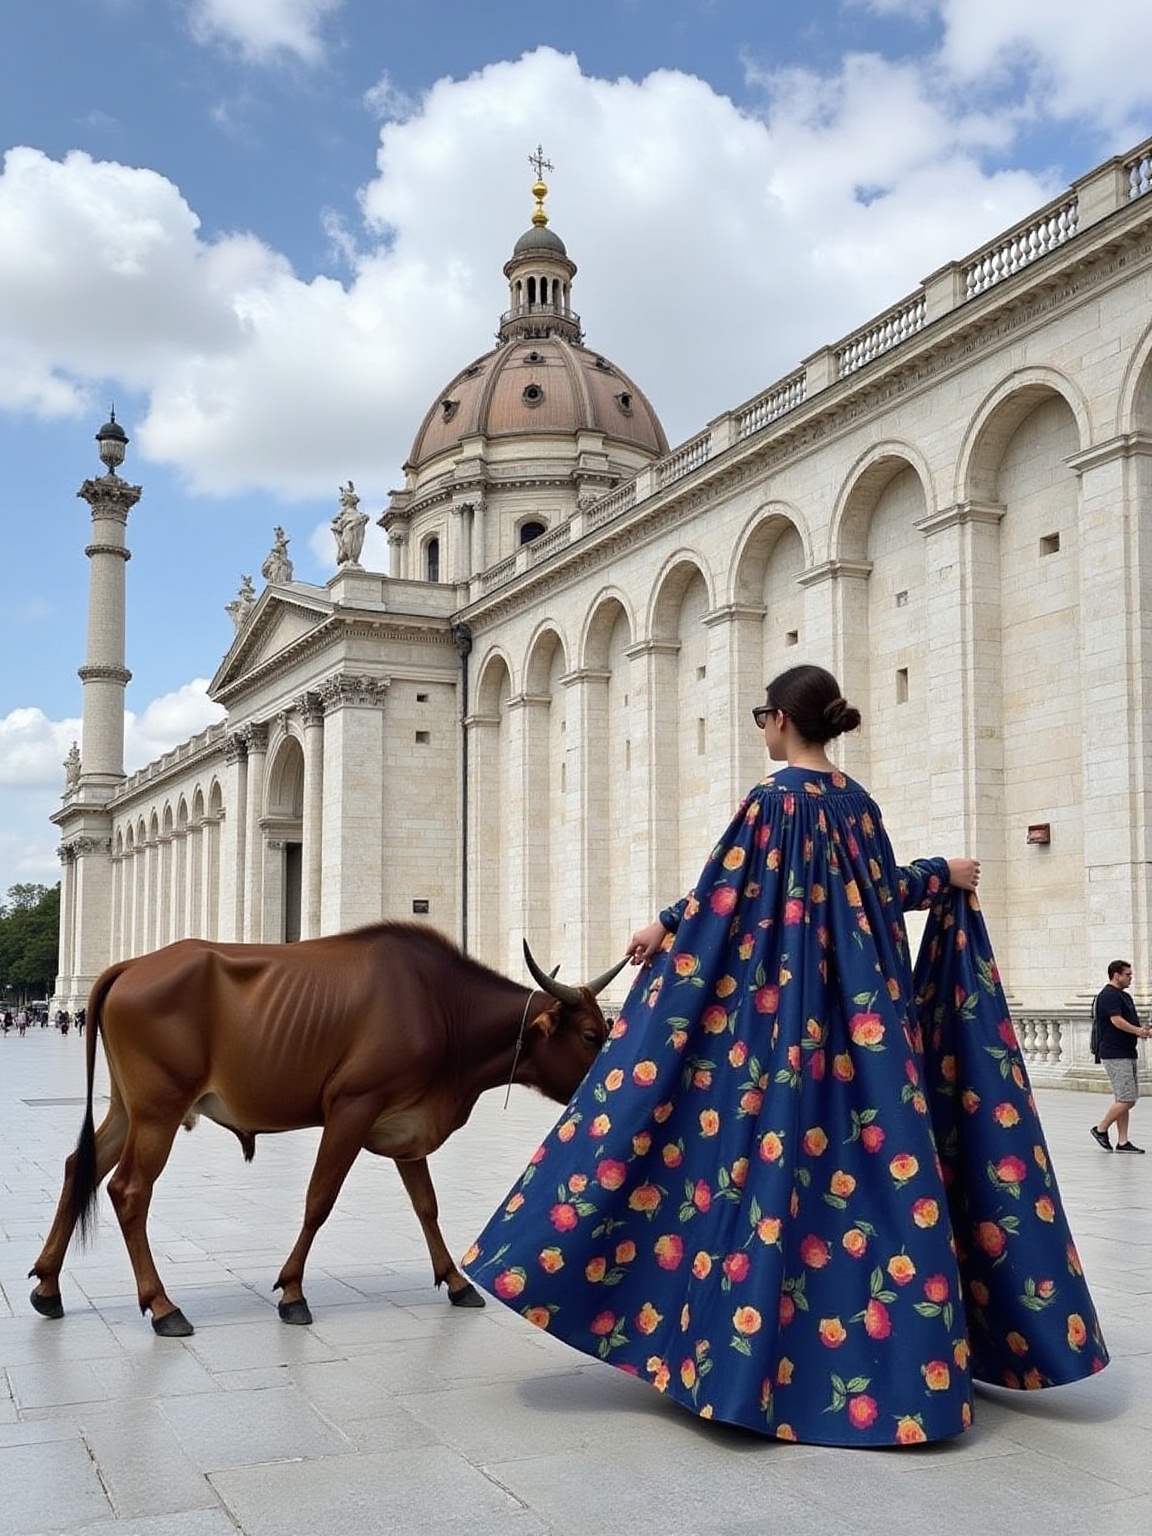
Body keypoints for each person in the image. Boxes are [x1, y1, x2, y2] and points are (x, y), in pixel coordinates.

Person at [463, 663, 1107, 1447]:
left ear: (778, 722)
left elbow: (724, 893)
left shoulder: (770, 802)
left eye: (758, 715)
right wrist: (943, 874)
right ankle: (903, 1366)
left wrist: (666, 927)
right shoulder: (857, 805)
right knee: (869, 1181)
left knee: (754, 1169)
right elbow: (875, 890)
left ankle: (743, 1359)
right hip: (868, 1038)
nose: (757, 728)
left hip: (781, 1034)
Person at [1090, 961, 1151, 1153]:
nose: (1130, 978)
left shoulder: (1124, 996)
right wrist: (1139, 1032)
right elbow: (1116, 1021)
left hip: (1127, 1051)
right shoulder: (1108, 995)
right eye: (1128, 975)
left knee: (1123, 1098)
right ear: (1116, 975)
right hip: (1114, 1053)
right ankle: (1100, 1129)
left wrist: (1143, 1030)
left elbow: (1129, 1020)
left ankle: (1123, 1141)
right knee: (1127, 1099)